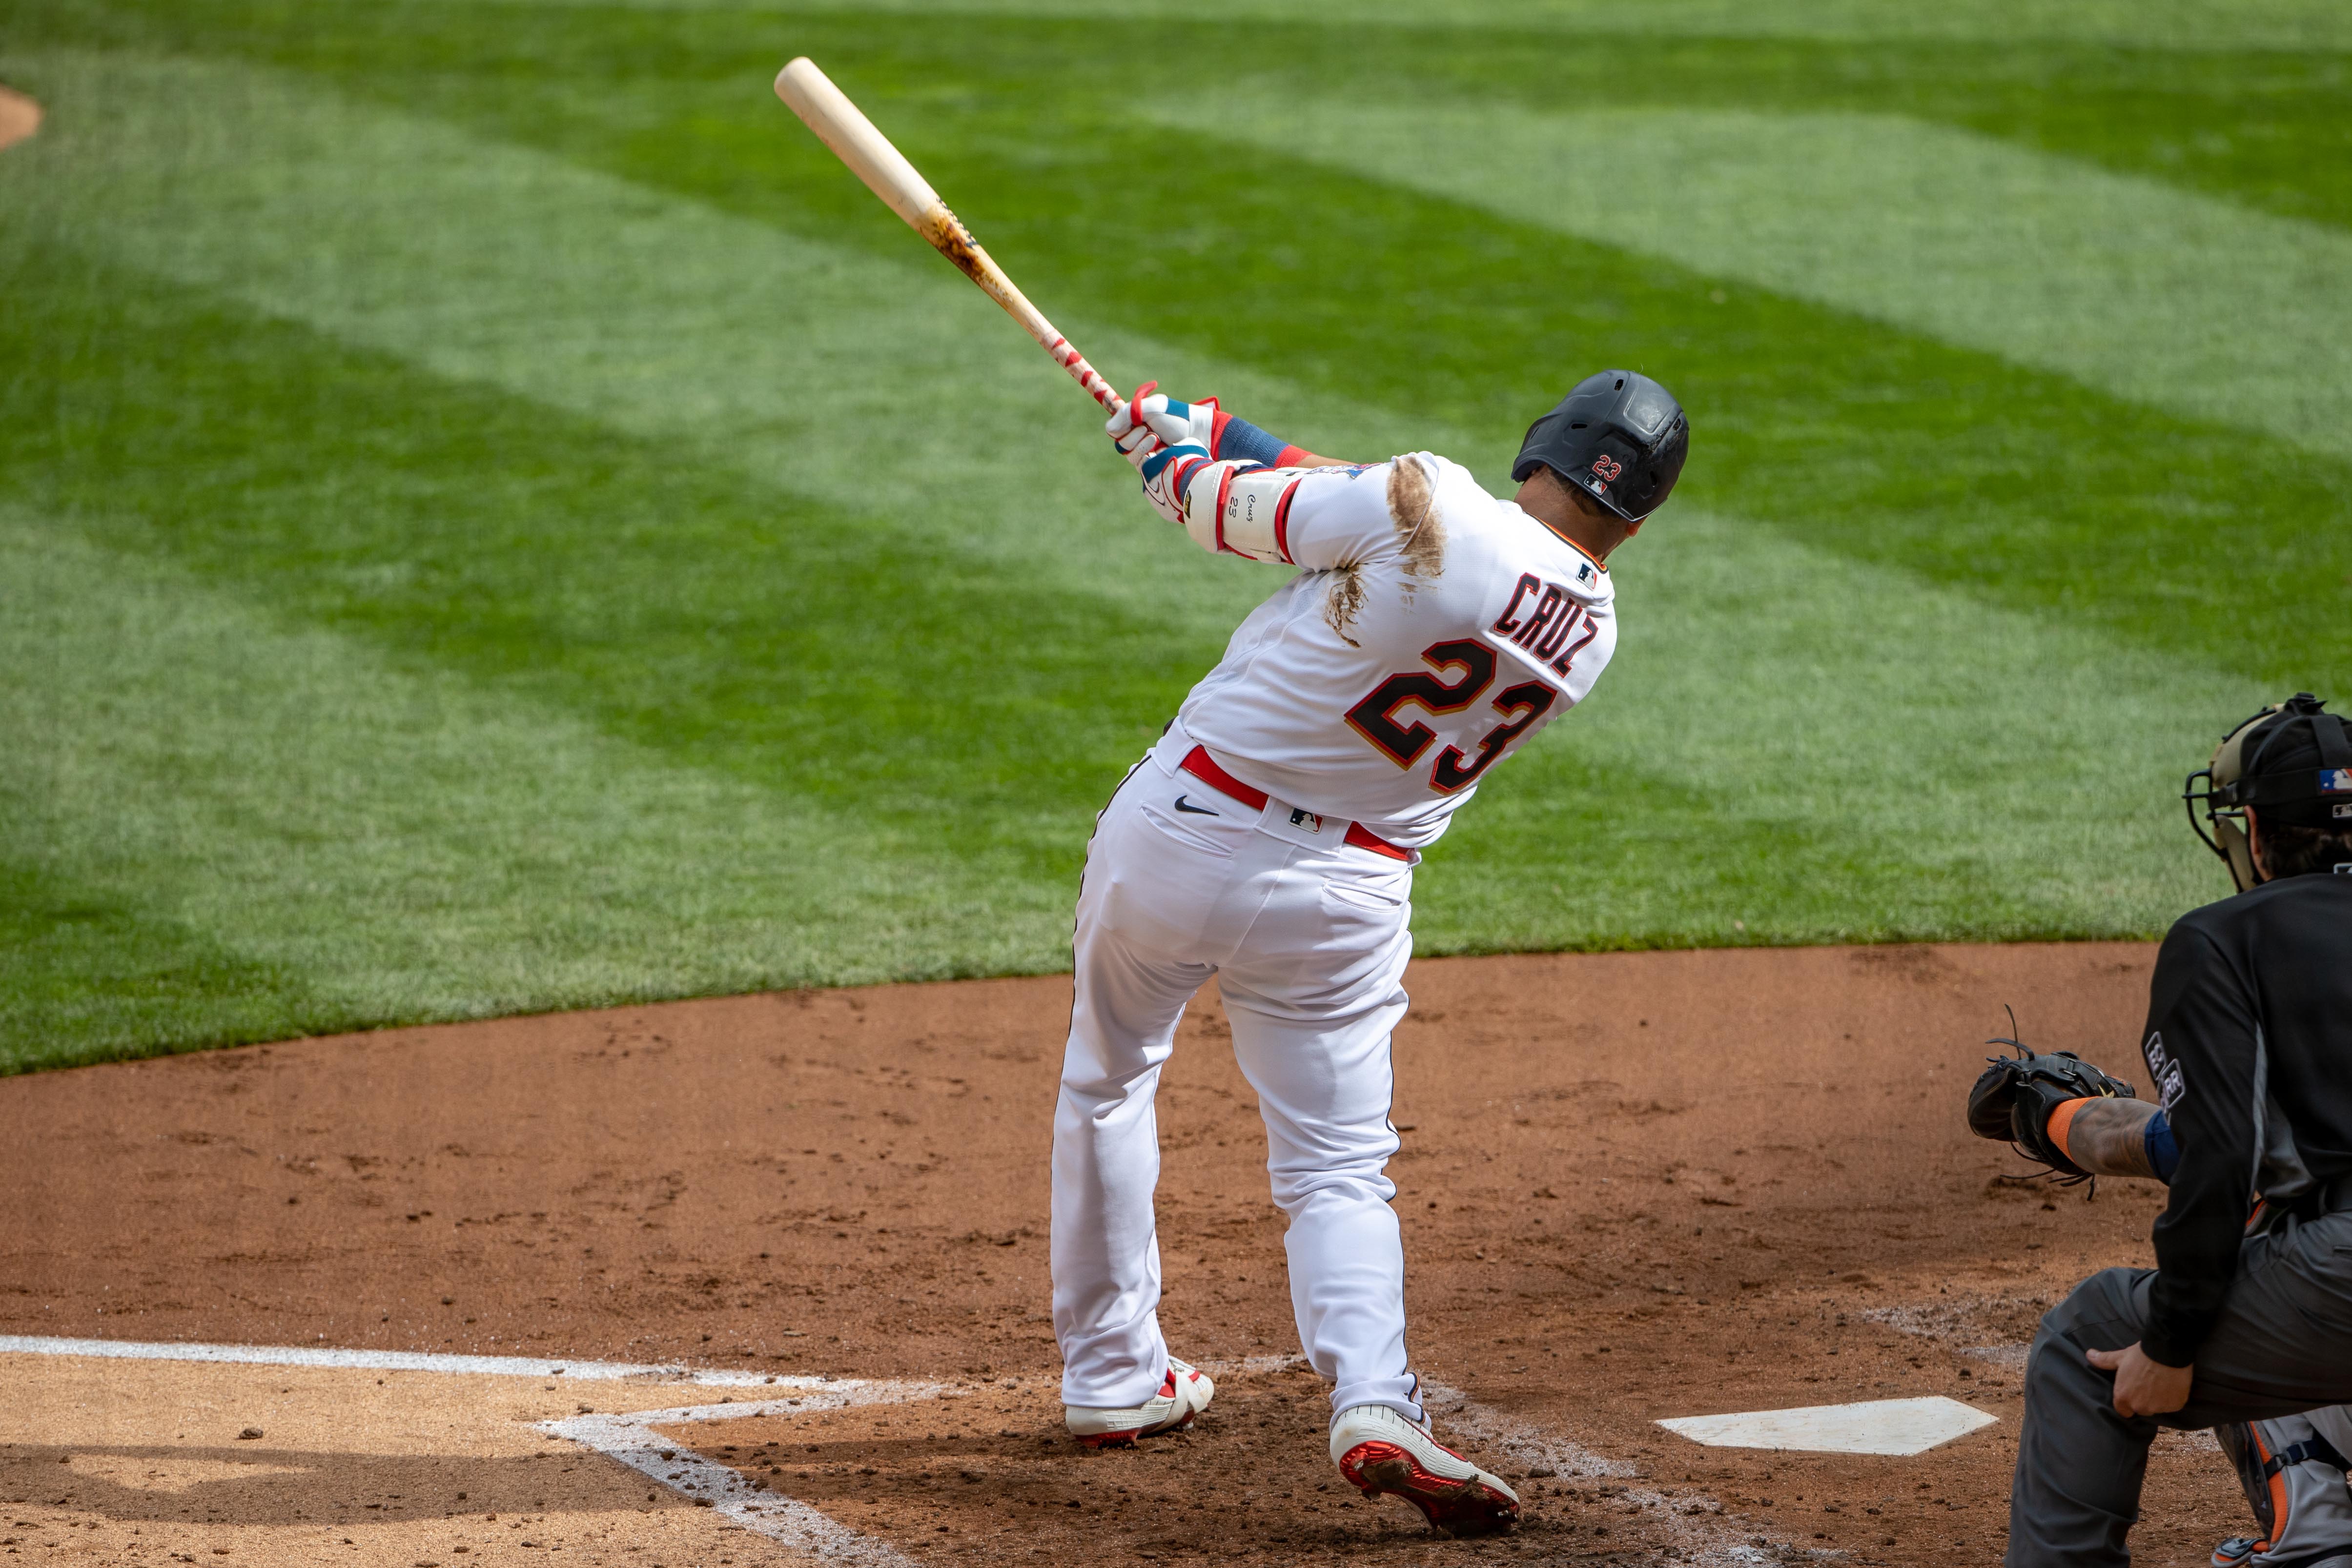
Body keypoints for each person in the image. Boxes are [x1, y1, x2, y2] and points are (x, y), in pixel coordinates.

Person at [1049, 373, 1689, 1534]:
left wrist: (1162, 452)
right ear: (1636, 518)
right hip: (1349, 894)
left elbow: (1210, 508)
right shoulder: (1590, 626)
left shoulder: (1424, 501)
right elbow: (1370, 506)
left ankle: (1110, 1375)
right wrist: (1218, 425)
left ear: (1539, 443)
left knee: (1111, 1078)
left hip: (1186, 834)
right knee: (1339, 1164)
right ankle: (1375, 1399)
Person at [1969, 694, 2352, 1566]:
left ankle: (2319, 1525)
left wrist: (2173, 1343)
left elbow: (2219, 1157)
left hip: (2341, 1276)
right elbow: (2191, 1144)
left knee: (2098, 1327)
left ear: (2252, 831)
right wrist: (2066, 1120)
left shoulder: (2226, 939)